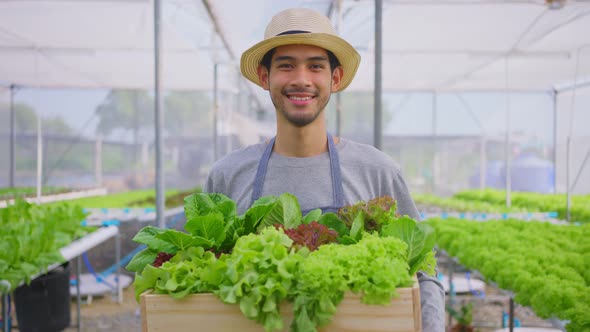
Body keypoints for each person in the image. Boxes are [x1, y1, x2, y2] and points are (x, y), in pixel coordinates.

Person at [205, 7, 445, 331]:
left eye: (315, 66)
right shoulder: (227, 175)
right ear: (265, 77)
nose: (301, 79)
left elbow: (424, 271)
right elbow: (201, 281)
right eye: (286, 65)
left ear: (335, 78)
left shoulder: (377, 171)